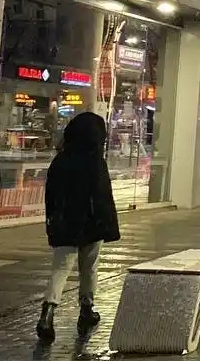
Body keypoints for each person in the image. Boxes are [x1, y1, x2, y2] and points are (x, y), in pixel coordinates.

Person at [38, 112, 120, 343]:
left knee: (60, 268)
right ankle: (86, 310)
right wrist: (108, 224)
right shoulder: (95, 161)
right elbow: (103, 197)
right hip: (91, 224)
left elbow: (51, 196)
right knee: (89, 268)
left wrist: (53, 222)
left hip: (66, 225)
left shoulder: (61, 160)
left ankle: (48, 312)